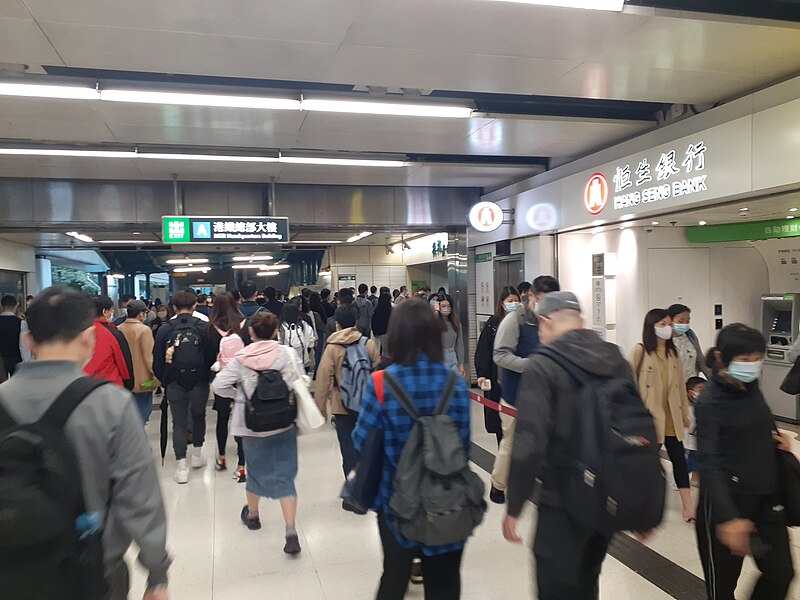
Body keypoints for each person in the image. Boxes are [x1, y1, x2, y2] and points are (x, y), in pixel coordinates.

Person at [0, 286, 171, 600]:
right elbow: (140, 498)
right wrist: (157, 573)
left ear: (28, 341)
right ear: (88, 338)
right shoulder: (110, 404)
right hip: (91, 570)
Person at [502, 291, 642, 599]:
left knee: (555, 587)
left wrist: (514, 504)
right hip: (605, 501)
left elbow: (529, 442)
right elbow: (635, 427)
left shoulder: (543, 365)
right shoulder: (615, 358)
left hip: (561, 499)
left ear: (546, 321)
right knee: (587, 582)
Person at [352, 299, 472, 599]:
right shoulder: (455, 385)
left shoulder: (381, 382)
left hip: (394, 501)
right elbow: (464, 445)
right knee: (444, 581)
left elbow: (361, 439)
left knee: (394, 573)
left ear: (396, 335)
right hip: (446, 498)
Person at [695, 323, 795, 599]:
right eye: (744, 359)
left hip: (766, 499)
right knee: (722, 588)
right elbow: (709, 461)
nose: (753, 366)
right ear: (720, 358)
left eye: (757, 358)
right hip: (726, 504)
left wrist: (776, 437)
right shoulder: (710, 402)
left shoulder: (751, 387)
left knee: (781, 573)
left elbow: (761, 419)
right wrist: (728, 519)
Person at [211, 312, 305, 555]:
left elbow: (218, 385)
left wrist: (241, 399)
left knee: (255, 470)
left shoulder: (241, 359)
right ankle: (291, 532)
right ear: (275, 332)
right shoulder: (288, 354)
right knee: (285, 475)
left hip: (251, 426)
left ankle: (253, 515)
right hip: (283, 422)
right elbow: (300, 380)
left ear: (250, 333)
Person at [490, 276, 559, 504]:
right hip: (515, 396)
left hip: (544, 397)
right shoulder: (515, 320)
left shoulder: (555, 321)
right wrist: (530, 365)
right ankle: (498, 486)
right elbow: (499, 355)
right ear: (530, 296)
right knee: (510, 443)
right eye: (541, 299)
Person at [630, 308, 695, 522]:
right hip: (650, 420)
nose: (668, 328)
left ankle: (688, 507)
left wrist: (685, 414)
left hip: (672, 418)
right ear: (651, 327)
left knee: (678, 459)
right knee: (646, 463)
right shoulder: (640, 351)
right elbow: (628, 386)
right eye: (662, 324)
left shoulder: (673, 353)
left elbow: (679, 387)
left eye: (669, 324)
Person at [316, 305, 381, 510]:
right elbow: (379, 373)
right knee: (367, 448)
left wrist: (320, 408)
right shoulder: (368, 344)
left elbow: (323, 379)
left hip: (342, 407)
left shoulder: (332, 348)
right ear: (354, 323)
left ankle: (354, 495)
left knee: (349, 451)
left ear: (337, 324)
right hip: (368, 406)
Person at [153, 288, 216, 484]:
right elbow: (212, 355)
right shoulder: (204, 326)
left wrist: (165, 380)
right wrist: (206, 376)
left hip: (174, 382)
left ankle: (181, 467)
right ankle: (197, 455)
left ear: (173, 307)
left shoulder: (165, 329)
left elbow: (157, 361)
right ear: (195, 306)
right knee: (199, 416)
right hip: (199, 381)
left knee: (178, 423)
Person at [207, 292, 246, 482]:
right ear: (235, 303)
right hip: (242, 377)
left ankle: (221, 457)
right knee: (241, 419)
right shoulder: (243, 324)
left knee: (222, 418)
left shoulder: (211, 327)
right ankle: (242, 465)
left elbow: (207, 356)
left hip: (221, 377)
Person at [474, 286, 520, 447]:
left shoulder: (524, 324)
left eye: (516, 301)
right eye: (510, 301)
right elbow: (484, 351)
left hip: (518, 379)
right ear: (502, 303)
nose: (513, 304)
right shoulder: (493, 323)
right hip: (496, 377)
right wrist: (482, 374)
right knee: (499, 421)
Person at [117, 300, 159, 424]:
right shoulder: (144, 330)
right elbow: (148, 357)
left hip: (124, 378)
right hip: (144, 381)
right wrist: (157, 375)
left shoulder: (118, 329)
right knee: (142, 412)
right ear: (140, 314)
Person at [85, 296, 133, 389]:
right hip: (111, 387)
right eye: (110, 310)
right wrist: (129, 384)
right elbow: (124, 364)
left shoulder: (78, 332)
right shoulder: (113, 333)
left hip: (83, 387)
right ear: (104, 312)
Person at [668, 303, 712, 381]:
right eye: (680, 321)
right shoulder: (664, 339)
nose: (684, 324)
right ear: (670, 321)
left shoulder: (690, 335)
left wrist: (713, 380)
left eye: (687, 321)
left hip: (691, 383)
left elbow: (701, 361)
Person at [434, 294, 465, 378]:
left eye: (448, 306)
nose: (446, 308)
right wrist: (436, 312)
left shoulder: (456, 323)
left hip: (452, 356)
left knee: (454, 385)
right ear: (438, 305)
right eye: (443, 306)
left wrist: (461, 364)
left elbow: (460, 344)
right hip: (437, 357)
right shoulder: (434, 320)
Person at [0, 294, 30, 377]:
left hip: (1, 361)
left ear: (1, 306)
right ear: (15, 306)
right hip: (16, 360)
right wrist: (26, 362)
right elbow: (23, 346)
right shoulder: (21, 323)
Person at [279, 303, 315, 371]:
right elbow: (311, 342)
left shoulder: (280, 327)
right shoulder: (303, 325)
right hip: (303, 361)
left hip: (286, 364)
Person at [684, 376, 706, 487]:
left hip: (698, 442)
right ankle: (679, 480)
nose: (704, 393)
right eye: (701, 390)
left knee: (697, 463)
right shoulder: (684, 408)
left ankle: (695, 480)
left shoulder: (702, 406)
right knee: (686, 463)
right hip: (687, 443)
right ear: (690, 392)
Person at [308, 291, 327, 369]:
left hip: (310, 330)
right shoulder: (320, 307)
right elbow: (325, 319)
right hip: (319, 330)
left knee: (311, 349)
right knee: (319, 350)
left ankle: (311, 365)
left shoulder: (308, 307)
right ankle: (317, 367)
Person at [372, 291, 393, 358]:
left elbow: (374, 321)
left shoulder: (377, 310)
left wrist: (375, 332)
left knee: (384, 349)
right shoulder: (393, 308)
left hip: (381, 333)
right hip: (391, 331)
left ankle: (384, 361)